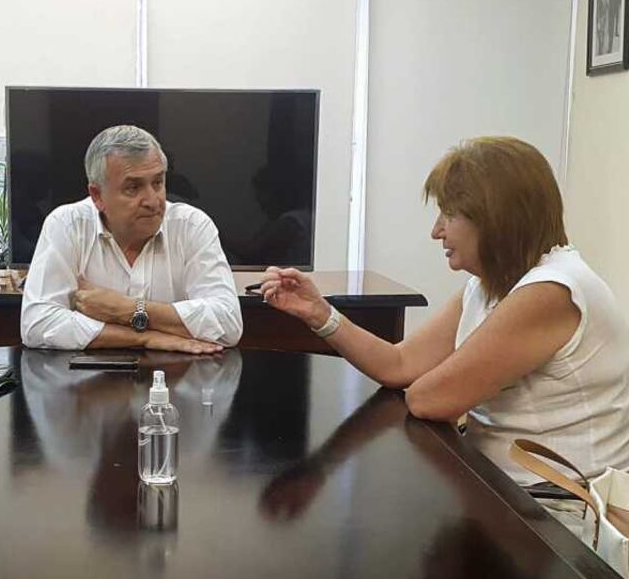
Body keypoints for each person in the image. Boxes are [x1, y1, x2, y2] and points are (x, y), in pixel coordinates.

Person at [261, 136, 629, 484]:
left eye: (448, 215)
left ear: (493, 218)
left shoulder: (553, 290)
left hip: (560, 514)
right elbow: (399, 364)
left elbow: (428, 398)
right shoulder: (489, 285)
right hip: (505, 489)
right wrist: (319, 313)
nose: (437, 231)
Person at [21, 125, 243, 353]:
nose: (152, 200)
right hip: (89, 383)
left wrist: (127, 309)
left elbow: (228, 324)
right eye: (133, 188)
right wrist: (146, 337)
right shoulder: (67, 225)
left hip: (178, 380)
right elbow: (37, 324)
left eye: (158, 182)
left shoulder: (192, 226)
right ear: (97, 196)